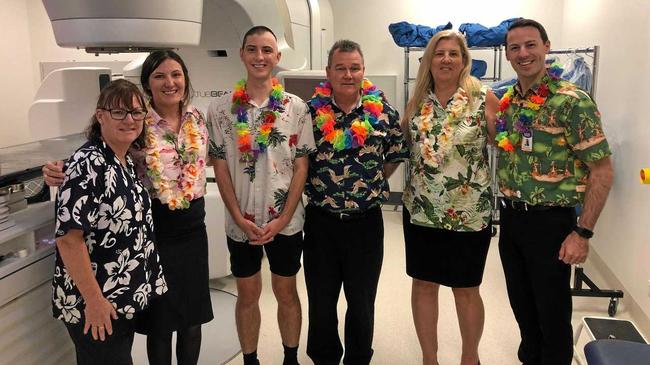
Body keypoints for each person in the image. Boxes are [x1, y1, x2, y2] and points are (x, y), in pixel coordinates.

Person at [44, 50, 216, 365]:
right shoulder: (139, 124)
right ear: (148, 84)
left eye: (176, 74)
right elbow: (94, 155)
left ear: (186, 80)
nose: (169, 82)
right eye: (159, 76)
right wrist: (59, 168)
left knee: (193, 320)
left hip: (189, 232)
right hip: (155, 234)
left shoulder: (197, 119)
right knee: (160, 324)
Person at [496, 19, 613, 365]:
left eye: (530, 44)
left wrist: (583, 232)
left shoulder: (572, 102)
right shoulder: (508, 102)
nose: (523, 53)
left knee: (552, 318)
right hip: (511, 220)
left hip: (551, 225)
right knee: (523, 312)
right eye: (515, 47)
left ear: (547, 47)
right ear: (507, 54)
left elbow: (602, 170)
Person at [208, 25, 315, 365]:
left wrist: (283, 217)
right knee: (247, 294)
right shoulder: (221, 110)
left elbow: (301, 167)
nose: (259, 56)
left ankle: (290, 358)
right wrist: (239, 216)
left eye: (267, 50)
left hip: (285, 222)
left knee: (286, 292)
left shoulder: (296, 108)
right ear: (242, 54)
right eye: (252, 49)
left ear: (277, 57)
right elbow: (220, 165)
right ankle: (250, 359)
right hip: (241, 223)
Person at [303, 39, 408, 365]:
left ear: (363, 71)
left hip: (365, 225)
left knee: (362, 301)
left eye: (355, 68)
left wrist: (367, 182)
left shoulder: (384, 113)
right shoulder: (309, 113)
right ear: (328, 72)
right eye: (341, 68)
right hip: (321, 223)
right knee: (321, 300)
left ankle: (359, 358)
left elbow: (393, 158)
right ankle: (324, 358)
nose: (348, 74)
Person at [51, 79, 167, 365]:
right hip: (95, 302)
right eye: (119, 112)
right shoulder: (89, 162)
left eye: (136, 112)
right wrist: (94, 301)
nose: (129, 119)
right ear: (100, 115)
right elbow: (68, 238)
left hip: (117, 300)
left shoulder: (122, 160)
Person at [400, 30, 498, 365]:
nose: (445, 59)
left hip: (469, 213)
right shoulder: (416, 102)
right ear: (429, 59)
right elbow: (403, 149)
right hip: (421, 210)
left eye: (453, 54)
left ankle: (470, 357)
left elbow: (506, 144)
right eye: (439, 53)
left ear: (464, 60)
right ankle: (430, 358)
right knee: (424, 286)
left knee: (466, 289)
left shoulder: (483, 98)